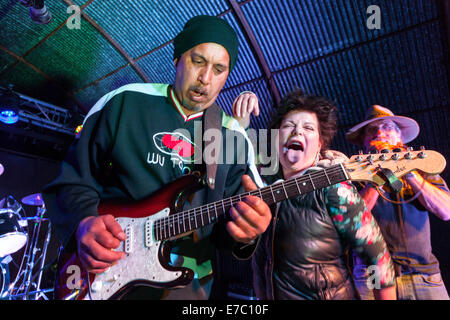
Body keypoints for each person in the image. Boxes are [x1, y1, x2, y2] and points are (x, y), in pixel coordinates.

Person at [42, 15, 271, 300]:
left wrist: (247, 233)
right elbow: (72, 180)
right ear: (177, 58)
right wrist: (83, 221)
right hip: (106, 270)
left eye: (219, 69)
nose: (206, 78)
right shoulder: (124, 102)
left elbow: (234, 227)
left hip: (188, 287)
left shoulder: (234, 136)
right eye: (198, 61)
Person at [232, 88, 396, 300]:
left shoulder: (335, 189)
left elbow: (376, 261)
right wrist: (238, 124)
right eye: (289, 126)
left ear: (319, 145)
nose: (297, 132)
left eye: (308, 128)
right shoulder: (264, 191)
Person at [346, 104, 450, 300]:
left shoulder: (421, 167)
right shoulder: (354, 173)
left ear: (399, 137)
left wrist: (407, 170)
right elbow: (351, 219)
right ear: (364, 141)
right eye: (371, 130)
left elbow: (446, 211)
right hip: (373, 275)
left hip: (423, 274)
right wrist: (378, 175)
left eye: (386, 126)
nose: (379, 132)